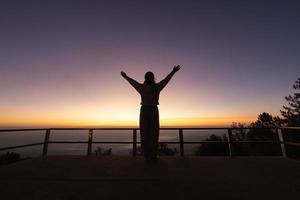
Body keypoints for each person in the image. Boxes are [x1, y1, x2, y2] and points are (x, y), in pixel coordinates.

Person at [121, 65, 181, 161]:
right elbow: (166, 80)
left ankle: (147, 155)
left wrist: (125, 77)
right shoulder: (156, 87)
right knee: (153, 132)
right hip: (152, 110)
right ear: (153, 78)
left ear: (146, 78)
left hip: (145, 110)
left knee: (146, 133)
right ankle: (151, 155)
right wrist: (173, 71)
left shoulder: (144, 87)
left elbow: (133, 83)